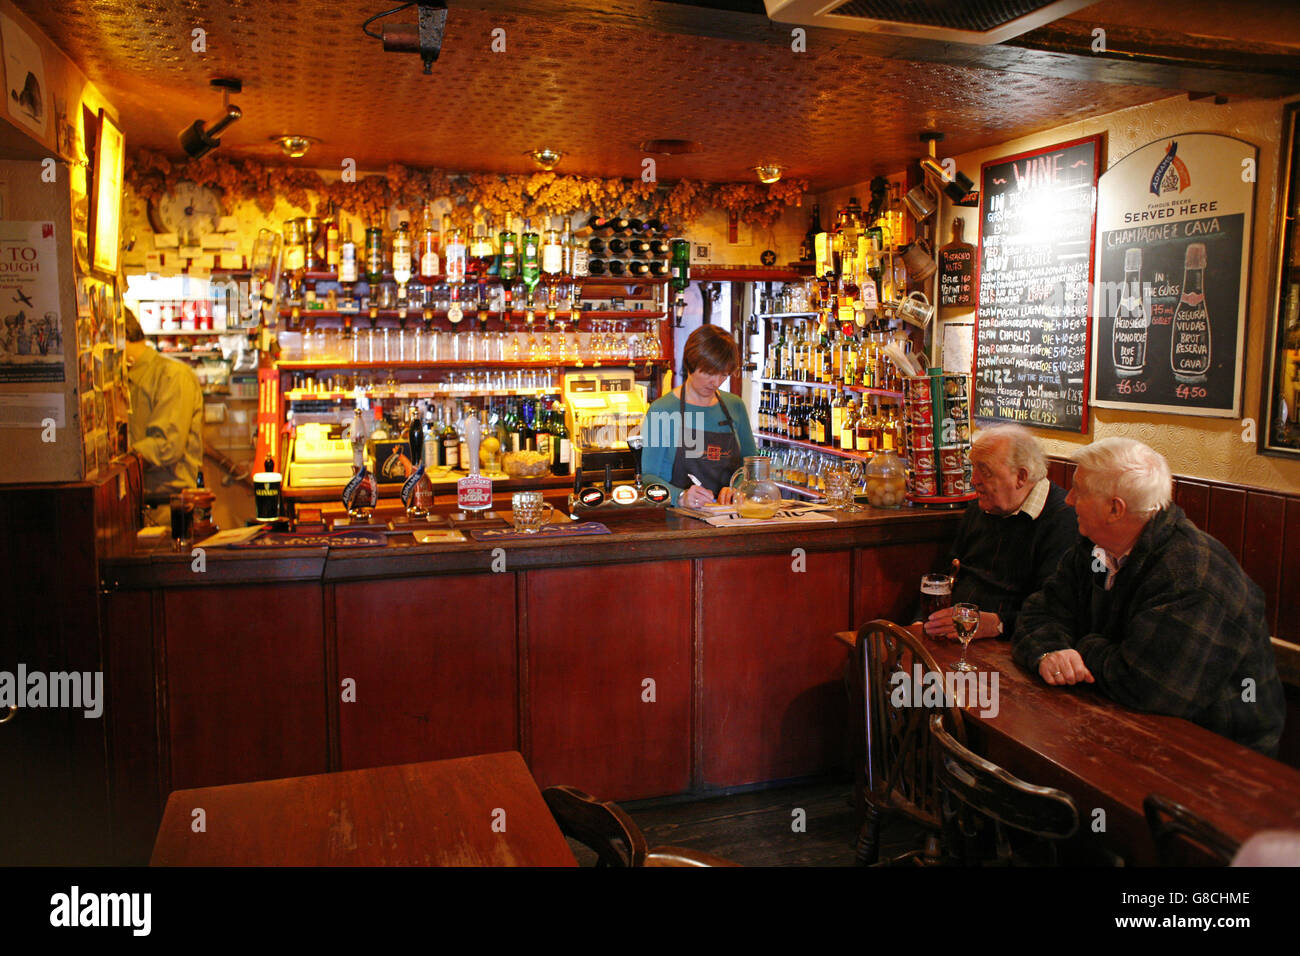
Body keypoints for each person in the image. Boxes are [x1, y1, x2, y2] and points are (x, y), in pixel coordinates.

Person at [1013, 437, 1285, 755]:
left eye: (1079, 491)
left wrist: (1080, 645)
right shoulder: (1094, 547)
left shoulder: (1192, 575)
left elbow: (1148, 686)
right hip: (1125, 723)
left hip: (1222, 756)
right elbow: (1037, 613)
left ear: (1115, 509)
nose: (1068, 500)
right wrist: (1051, 652)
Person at [921, 424, 1077, 641]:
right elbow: (950, 573)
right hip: (955, 635)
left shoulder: (1063, 520)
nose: (973, 480)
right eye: (973, 468)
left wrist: (999, 623)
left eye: (984, 471)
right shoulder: (982, 507)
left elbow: (1054, 611)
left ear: (1021, 476)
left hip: (1012, 645)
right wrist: (922, 623)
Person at [641, 325, 757, 507]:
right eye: (709, 373)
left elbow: (751, 465)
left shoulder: (735, 406)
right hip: (676, 522)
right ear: (690, 364)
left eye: (724, 375)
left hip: (729, 520)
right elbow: (648, 478)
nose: (716, 382)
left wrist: (737, 487)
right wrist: (680, 496)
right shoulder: (662, 410)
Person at [124, 308, 205, 507]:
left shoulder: (172, 376)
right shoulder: (126, 379)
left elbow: (167, 446)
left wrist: (120, 461)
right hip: (137, 503)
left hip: (166, 508)